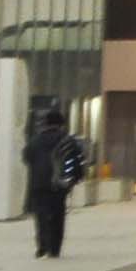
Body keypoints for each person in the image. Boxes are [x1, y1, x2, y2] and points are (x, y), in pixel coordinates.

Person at [23, 107, 81, 257]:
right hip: (59, 184)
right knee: (57, 215)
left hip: (39, 183)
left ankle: (43, 244)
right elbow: (76, 160)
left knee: (41, 215)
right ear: (61, 124)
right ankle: (54, 248)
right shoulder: (67, 140)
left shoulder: (35, 141)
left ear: (46, 123)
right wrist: (75, 178)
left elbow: (27, 158)